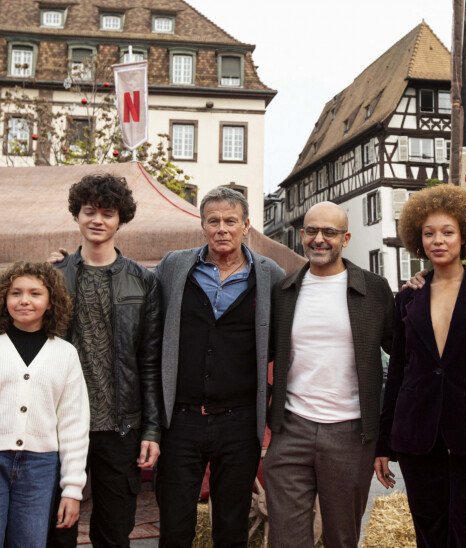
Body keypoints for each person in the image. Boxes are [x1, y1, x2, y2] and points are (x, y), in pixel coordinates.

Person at [375, 185, 466, 547]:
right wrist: (383, 444)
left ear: (465, 235)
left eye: (447, 232)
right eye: (429, 233)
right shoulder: (409, 296)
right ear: (417, 239)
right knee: (430, 533)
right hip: (416, 434)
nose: (438, 240)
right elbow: (397, 372)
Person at [154, 187, 285, 548]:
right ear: (202, 226)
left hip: (239, 421)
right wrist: (70, 262)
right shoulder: (174, 266)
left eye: (231, 221)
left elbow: (288, 328)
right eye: (214, 221)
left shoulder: (269, 274)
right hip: (181, 420)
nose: (222, 229)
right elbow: (137, 287)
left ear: (246, 226)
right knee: (175, 525)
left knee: (231, 525)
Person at [264, 201, 395, 547]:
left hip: (351, 433)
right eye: (311, 231)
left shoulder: (375, 289)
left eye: (329, 232)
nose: (319, 239)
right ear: (301, 235)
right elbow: (261, 354)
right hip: (291, 428)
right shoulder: (284, 291)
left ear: (346, 238)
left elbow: (402, 354)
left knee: (342, 537)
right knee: (286, 540)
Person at [47, 173, 162, 548]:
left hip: (120, 426)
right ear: (77, 216)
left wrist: (151, 429)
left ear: (121, 219)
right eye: (89, 211)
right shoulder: (53, 277)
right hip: (61, 424)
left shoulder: (144, 281)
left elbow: (149, 361)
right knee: (58, 530)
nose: (97, 220)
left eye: (107, 213)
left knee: (114, 533)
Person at [0, 262, 89, 547]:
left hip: (40, 467)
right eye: (15, 293)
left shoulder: (64, 354)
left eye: (35, 293)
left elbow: (74, 424)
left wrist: (72, 489)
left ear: (51, 301)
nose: (24, 300)